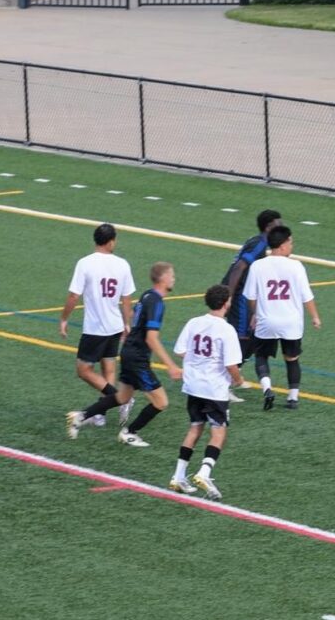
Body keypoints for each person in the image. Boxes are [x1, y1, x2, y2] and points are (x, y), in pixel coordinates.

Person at [65, 262, 182, 447]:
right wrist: (171, 366)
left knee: (122, 397)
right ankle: (129, 433)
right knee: (161, 402)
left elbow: (135, 315)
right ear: (163, 278)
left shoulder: (146, 295)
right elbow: (152, 338)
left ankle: (81, 416)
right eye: (172, 275)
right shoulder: (157, 302)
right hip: (137, 357)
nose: (174, 278)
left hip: (128, 351)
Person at [169, 284, 244, 500]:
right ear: (225, 303)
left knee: (195, 428)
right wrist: (238, 380)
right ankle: (204, 472)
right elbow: (231, 365)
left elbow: (181, 350)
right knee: (218, 432)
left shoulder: (194, 323)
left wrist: (197, 362)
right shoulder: (226, 330)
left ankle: (178, 476)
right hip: (214, 388)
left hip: (193, 385)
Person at [59, 223, 135, 437]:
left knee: (83, 371)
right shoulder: (122, 264)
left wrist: (64, 319)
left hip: (95, 328)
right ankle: (101, 414)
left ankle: (122, 398)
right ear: (111, 241)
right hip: (114, 325)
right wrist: (127, 323)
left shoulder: (85, 263)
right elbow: (126, 298)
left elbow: (74, 295)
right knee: (108, 369)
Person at [242, 225, 320, 410]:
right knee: (292, 358)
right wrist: (315, 317)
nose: (292, 245)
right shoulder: (296, 266)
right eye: (291, 242)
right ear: (283, 245)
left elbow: (251, 297)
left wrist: (255, 314)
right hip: (291, 322)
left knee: (261, 356)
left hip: (267, 320)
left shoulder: (258, 265)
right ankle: (293, 398)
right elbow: (306, 296)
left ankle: (267, 389)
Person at [221, 209, 284, 400]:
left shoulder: (257, 242)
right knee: (242, 339)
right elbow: (239, 268)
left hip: (245, 296)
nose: (281, 227)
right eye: (278, 224)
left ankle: (228, 379)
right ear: (268, 227)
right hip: (240, 297)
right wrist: (229, 297)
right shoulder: (259, 244)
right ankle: (223, 383)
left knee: (249, 338)